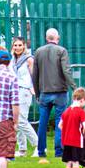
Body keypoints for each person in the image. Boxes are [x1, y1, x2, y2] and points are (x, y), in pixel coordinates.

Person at [32, 28, 74, 160]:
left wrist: (37, 93)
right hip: (60, 92)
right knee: (60, 122)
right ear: (57, 38)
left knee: (42, 122)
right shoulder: (62, 51)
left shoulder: (38, 52)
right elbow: (66, 71)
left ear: (46, 38)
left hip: (44, 92)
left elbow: (35, 74)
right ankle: (59, 151)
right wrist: (74, 87)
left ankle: (41, 150)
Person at [11, 37, 39, 158]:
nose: (17, 48)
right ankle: (22, 149)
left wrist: (35, 89)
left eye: (20, 45)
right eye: (15, 45)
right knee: (16, 119)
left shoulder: (29, 59)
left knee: (21, 120)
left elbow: (34, 76)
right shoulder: (12, 60)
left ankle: (39, 145)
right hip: (14, 90)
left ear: (24, 46)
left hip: (25, 90)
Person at [60, 87, 85, 168]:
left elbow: (60, 125)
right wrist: (83, 134)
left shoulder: (66, 111)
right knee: (76, 162)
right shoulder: (81, 112)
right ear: (82, 99)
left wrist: (67, 131)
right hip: (77, 141)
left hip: (66, 141)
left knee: (68, 162)